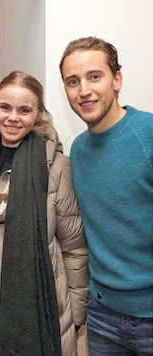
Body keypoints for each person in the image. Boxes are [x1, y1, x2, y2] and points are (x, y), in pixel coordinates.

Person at [0, 71, 89, 355]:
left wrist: (78, 313)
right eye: (5, 107)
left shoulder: (56, 167)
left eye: (24, 110)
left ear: (38, 115)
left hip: (41, 305)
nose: (13, 117)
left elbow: (74, 249)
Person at [59, 37, 153, 355]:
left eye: (94, 77)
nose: (83, 90)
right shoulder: (78, 150)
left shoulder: (148, 135)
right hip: (102, 317)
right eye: (73, 81)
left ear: (117, 79)